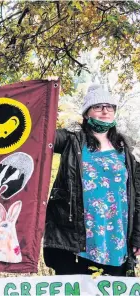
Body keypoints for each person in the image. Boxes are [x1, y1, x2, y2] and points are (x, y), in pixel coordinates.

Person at [43, 84, 140, 276]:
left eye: (109, 106)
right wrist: (44, 99)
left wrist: (138, 236)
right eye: (98, 106)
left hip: (115, 240)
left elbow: (138, 195)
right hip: (77, 239)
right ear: (87, 114)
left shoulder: (127, 148)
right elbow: (40, 137)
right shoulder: (71, 140)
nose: (105, 110)